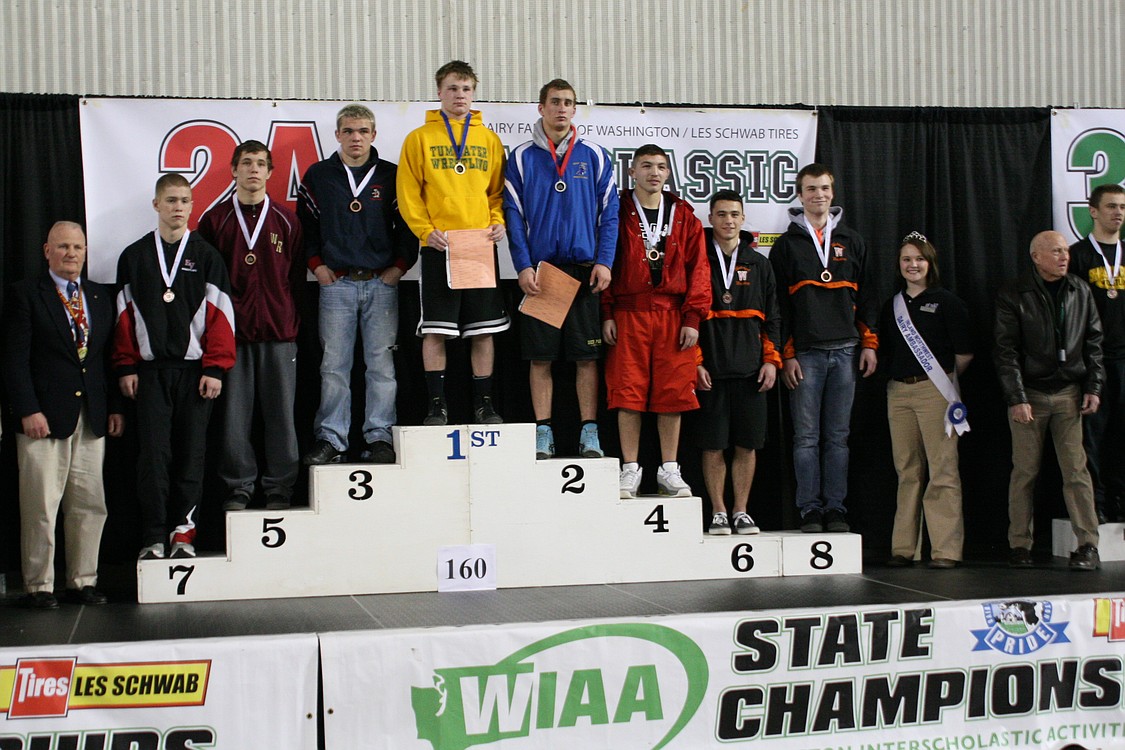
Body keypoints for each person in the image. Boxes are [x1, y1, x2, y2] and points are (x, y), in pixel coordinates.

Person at [114, 174, 236, 560]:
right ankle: (152, 535)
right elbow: (123, 317)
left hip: (195, 374)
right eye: (170, 200)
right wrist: (125, 366)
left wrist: (215, 368)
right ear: (156, 205)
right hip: (149, 374)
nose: (178, 207)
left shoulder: (206, 255)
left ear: (192, 205)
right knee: (152, 457)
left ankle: (183, 535)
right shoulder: (133, 257)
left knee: (191, 455)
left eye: (184, 200)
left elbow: (222, 315)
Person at [2, 222, 123, 608]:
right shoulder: (26, 295)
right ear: (47, 251)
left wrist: (114, 407)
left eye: (78, 247)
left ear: (86, 252)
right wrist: (27, 410)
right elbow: (14, 360)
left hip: (90, 414)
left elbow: (104, 360)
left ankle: (81, 581)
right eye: (63, 247)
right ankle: (39, 585)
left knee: (90, 503)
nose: (71, 253)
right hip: (43, 419)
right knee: (41, 505)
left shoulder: (100, 297)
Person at [503, 78, 619, 458]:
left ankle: (589, 433)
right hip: (544, 272)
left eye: (568, 102)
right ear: (541, 108)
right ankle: (543, 433)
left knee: (587, 358)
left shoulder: (596, 156)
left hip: (585, 269)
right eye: (555, 102)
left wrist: (604, 260)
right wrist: (522, 265)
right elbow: (513, 216)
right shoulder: (521, 157)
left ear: (575, 109)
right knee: (542, 357)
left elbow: (610, 215)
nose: (562, 109)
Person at [298, 105, 418, 466]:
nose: (355, 138)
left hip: (381, 283)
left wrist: (399, 268)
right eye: (348, 131)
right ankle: (332, 438)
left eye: (363, 131)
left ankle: (379, 435)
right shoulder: (319, 175)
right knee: (333, 366)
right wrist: (316, 267)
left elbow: (409, 227)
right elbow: (305, 228)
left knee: (381, 366)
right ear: (337, 135)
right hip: (336, 284)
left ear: (374, 135)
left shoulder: (391, 175)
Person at [398, 60, 509, 426]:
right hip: (439, 246)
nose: (459, 95)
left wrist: (497, 222)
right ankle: (436, 404)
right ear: (439, 92)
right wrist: (423, 230)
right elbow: (409, 192)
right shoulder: (419, 138)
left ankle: (485, 403)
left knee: (484, 329)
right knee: (435, 329)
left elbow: (497, 193)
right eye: (452, 88)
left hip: (478, 246)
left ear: (473, 93)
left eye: (466, 89)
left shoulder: (489, 139)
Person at [769, 163, 877, 533]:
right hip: (807, 355)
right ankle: (809, 510)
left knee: (837, 438)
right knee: (806, 438)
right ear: (800, 196)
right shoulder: (786, 246)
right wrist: (786, 354)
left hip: (847, 350)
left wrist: (869, 344)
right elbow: (777, 305)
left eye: (825, 188)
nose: (819, 195)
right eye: (811, 189)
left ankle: (836, 509)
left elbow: (869, 297)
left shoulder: (852, 239)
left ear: (833, 193)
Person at [197, 141, 304, 509]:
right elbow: (208, 285)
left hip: (279, 333)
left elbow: (292, 276)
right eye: (246, 163)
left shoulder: (288, 220)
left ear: (271, 173)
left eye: (261, 163)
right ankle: (239, 486)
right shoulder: (215, 220)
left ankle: (279, 488)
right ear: (233, 170)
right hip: (233, 336)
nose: (253, 170)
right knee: (233, 419)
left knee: (281, 417)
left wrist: (286, 317)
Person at [603, 144, 710, 498]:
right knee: (628, 391)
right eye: (646, 165)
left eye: (661, 166)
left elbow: (699, 270)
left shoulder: (684, 215)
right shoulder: (616, 211)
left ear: (668, 174)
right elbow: (604, 262)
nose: (654, 172)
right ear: (631, 172)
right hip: (629, 312)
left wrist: (693, 317)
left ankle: (669, 469)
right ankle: (630, 469)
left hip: (672, 314)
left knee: (673, 393)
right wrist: (607, 311)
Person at [994, 230, 1103, 570]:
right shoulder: (1014, 293)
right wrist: (1017, 397)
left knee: (1076, 471)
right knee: (1025, 471)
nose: (1064, 256)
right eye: (1055, 251)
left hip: (1069, 393)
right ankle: (1019, 544)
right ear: (1036, 256)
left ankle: (1087, 544)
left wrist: (1094, 387)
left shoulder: (1080, 290)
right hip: (1031, 395)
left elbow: (1094, 342)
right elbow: (1005, 350)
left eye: (1066, 250)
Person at [878, 232, 972, 568]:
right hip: (898, 392)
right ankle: (905, 548)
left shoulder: (947, 302)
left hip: (936, 390)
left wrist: (943, 382)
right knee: (907, 470)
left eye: (919, 259)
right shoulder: (892, 305)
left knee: (942, 470)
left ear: (929, 263)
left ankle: (945, 549)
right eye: (906, 259)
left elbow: (964, 353)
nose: (912, 265)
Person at [695, 191, 780, 535]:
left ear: (743, 219)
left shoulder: (759, 263)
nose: (728, 220)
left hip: (750, 371)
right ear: (711, 218)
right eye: (721, 214)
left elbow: (772, 316)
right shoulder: (697, 259)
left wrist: (772, 361)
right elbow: (688, 317)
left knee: (747, 444)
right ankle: (718, 511)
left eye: (734, 214)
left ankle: (741, 511)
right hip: (710, 371)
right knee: (713, 444)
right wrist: (695, 362)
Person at [1069, 184, 1125, 523]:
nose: (1117, 212)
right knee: (1091, 438)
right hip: (1092, 362)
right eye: (1110, 206)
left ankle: (1119, 501)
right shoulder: (1076, 256)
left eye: (1121, 207)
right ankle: (1097, 506)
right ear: (1093, 211)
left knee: (1121, 435)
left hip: (1124, 360)